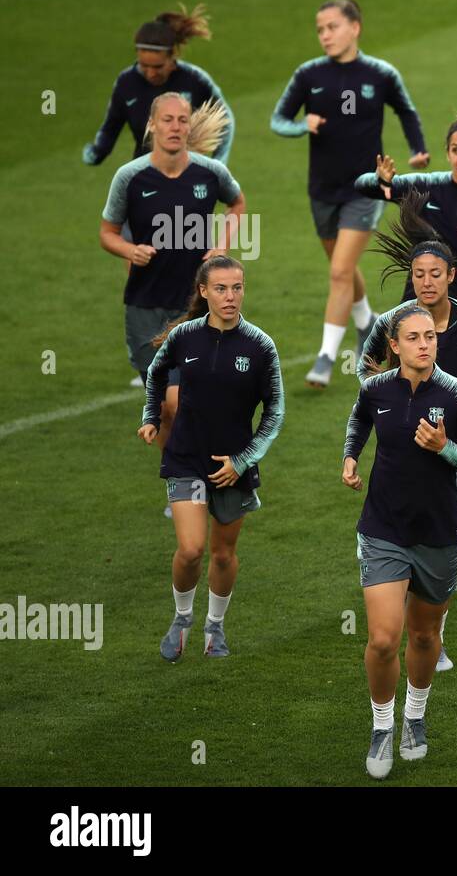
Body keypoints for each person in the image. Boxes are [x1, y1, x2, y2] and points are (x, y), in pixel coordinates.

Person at [342, 304, 457, 779]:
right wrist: (350, 459)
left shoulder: (456, 396)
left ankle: (415, 716)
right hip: (383, 528)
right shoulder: (375, 390)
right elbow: (359, 422)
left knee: (426, 634)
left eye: (430, 336)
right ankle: (382, 727)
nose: (425, 344)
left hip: (437, 532)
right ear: (394, 344)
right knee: (384, 639)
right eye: (414, 337)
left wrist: (443, 448)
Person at [358, 193, 457, 672]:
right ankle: (416, 627)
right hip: (402, 450)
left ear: (451, 278)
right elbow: (366, 367)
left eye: (434, 274)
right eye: (418, 275)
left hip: (455, 449)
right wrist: (388, 405)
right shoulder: (394, 324)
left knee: (440, 534)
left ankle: (429, 632)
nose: (425, 282)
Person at [271, 0, 428, 389]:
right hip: (322, 189)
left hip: (365, 188)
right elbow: (278, 119)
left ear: (354, 27)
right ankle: (367, 322)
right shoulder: (308, 74)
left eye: (332, 27)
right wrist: (301, 125)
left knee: (340, 271)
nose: (325, 35)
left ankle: (326, 357)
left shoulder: (380, 73)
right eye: (320, 29)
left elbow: (406, 110)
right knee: (341, 266)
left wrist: (417, 149)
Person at [137, 256, 284, 662]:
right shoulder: (185, 336)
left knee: (223, 554)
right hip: (186, 458)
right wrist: (151, 418)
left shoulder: (260, 346)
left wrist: (243, 460)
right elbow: (155, 374)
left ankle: (215, 627)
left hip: (232, 467)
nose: (230, 296)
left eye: (237, 287)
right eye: (221, 288)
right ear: (204, 291)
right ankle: (182, 618)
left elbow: (275, 413)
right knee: (191, 550)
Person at [101, 92, 245, 461]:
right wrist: (129, 251)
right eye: (167, 119)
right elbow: (107, 232)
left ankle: (191, 476)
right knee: (167, 407)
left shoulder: (210, 173)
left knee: (179, 402)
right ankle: (179, 477)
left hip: (195, 307)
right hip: (145, 306)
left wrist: (221, 248)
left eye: (182, 120)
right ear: (152, 125)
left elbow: (237, 203)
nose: (175, 127)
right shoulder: (130, 177)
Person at [355, 113, 457, 339]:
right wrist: (379, 180)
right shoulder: (427, 186)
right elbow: (361, 186)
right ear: (448, 152)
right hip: (419, 317)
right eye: (456, 150)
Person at [84, 4, 235, 167]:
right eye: (144, 65)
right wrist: (97, 152)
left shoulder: (195, 79)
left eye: (158, 67)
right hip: (143, 178)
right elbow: (111, 126)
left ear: (173, 55)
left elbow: (225, 120)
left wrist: (218, 165)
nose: (150, 73)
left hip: (190, 178)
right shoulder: (126, 82)